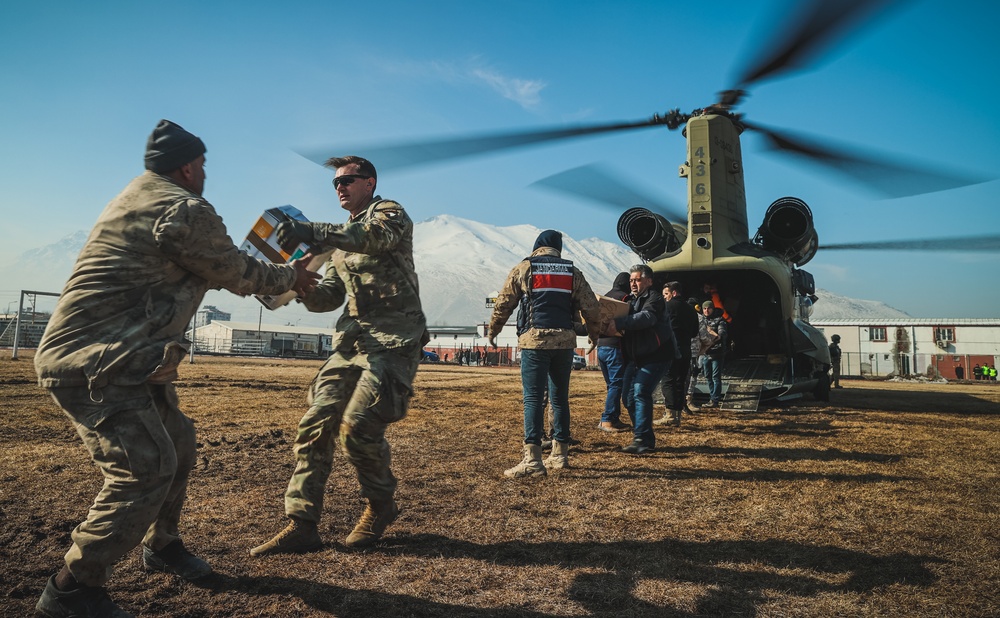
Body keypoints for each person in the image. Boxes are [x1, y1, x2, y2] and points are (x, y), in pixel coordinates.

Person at [32, 120, 321, 618]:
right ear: (188, 165)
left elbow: (202, 269)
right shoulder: (183, 206)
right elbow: (236, 271)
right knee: (144, 471)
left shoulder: (139, 196)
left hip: (129, 358)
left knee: (179, 444)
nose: (205, 173)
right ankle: (73, 588)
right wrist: (291, 275)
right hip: (99, 361)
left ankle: (161, 544)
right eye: (203, 164)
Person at [251, 155, 427, 556]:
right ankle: (302, 523)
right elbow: (329, 297)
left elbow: (374, 239)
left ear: (370, 182)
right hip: (351, 342)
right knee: (315, 423)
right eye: (334, 183)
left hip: (394, 340)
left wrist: (312, 231)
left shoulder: (388, 214)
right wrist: (294, 285)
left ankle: (380, 506)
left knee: (359, 426)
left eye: (348, 180)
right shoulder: (338, 240)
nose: (340, 188)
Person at [487, 230, 602, 477]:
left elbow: (504, 302)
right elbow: (591, 307)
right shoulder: (572, 272)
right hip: (564, 343)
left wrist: (493, 330)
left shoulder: (525, 268)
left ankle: (533, 460)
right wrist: (594, 335)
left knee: (533, 399)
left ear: (537, 246)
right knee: (560, 398)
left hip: (534, 342)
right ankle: (560, 455)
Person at [615, 264, 675, 454]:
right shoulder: (629, 301)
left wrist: (617, 323)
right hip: (637, 357)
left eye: (637, 279)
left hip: (657, 355)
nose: (633, 283)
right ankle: (643, 436)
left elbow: (647, 317)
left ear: (649, 281)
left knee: (640, 391)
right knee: (627, 397)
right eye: (631, 280)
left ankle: (641, 439)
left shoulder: (655, 298)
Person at [654, 282, 699, 427]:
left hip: (670, 348)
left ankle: (670, 414)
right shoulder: (691, 310)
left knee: (668, 381)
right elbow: (694, 333)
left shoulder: (667, 307)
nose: (664, 298)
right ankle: (678, 414)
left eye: (666, 294)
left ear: (673, 293)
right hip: (686, 350)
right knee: (680, 382)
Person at [597, 272, 631, 433]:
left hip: (600, 346)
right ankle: (608, 419)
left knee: (611, 385)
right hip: (615, 346)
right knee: (617, 384)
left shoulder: (605, 297)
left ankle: (614, 417)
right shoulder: (625, 299)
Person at [700, 301, 729, 408]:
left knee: (716, 377)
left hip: (717, 352)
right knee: (707, 375)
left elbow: (721, 335)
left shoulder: (720, 320)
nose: (706, 311)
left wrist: (712, 335)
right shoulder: (701, 320)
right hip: (705, 352)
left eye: (709, 308)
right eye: (704, 309)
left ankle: (714, 399)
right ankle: (712, 396)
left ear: (713, 309)